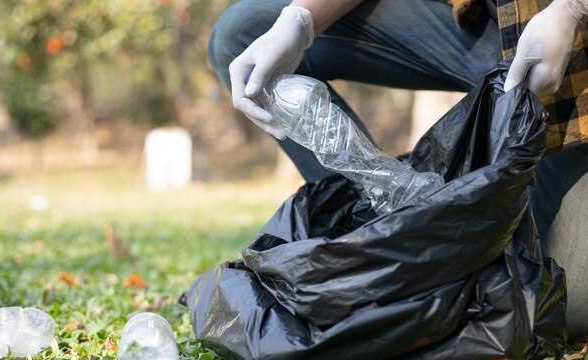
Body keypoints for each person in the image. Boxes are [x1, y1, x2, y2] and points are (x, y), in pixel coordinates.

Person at [208, 0, 588, 340]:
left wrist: (571, 10)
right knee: (245, 33)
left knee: (564, 306)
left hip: (573, 59)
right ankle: (382, 237)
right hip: (480, 24)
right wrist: (300, 20)